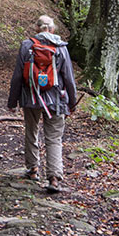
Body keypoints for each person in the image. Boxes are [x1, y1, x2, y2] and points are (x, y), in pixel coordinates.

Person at [7, 14, 77, 192]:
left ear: (37, 28)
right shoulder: (61, 47)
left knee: (31, 131)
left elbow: (17, 77)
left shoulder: (27, 45)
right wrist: (72, 101)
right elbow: (68, 78)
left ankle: (33, 169)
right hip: (57, 99)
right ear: (52, 29)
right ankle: (54, 178)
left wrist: (12, 101)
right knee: (53, 137)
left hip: (31, 97)